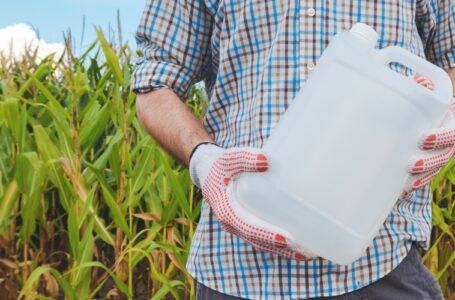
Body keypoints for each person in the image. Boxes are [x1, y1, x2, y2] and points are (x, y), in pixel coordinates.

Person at [132, 1, 455, 299]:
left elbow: (450, 60)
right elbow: (156, 82)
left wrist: (448, 118)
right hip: (234, 265)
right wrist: (204, 160)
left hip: (381, 258)